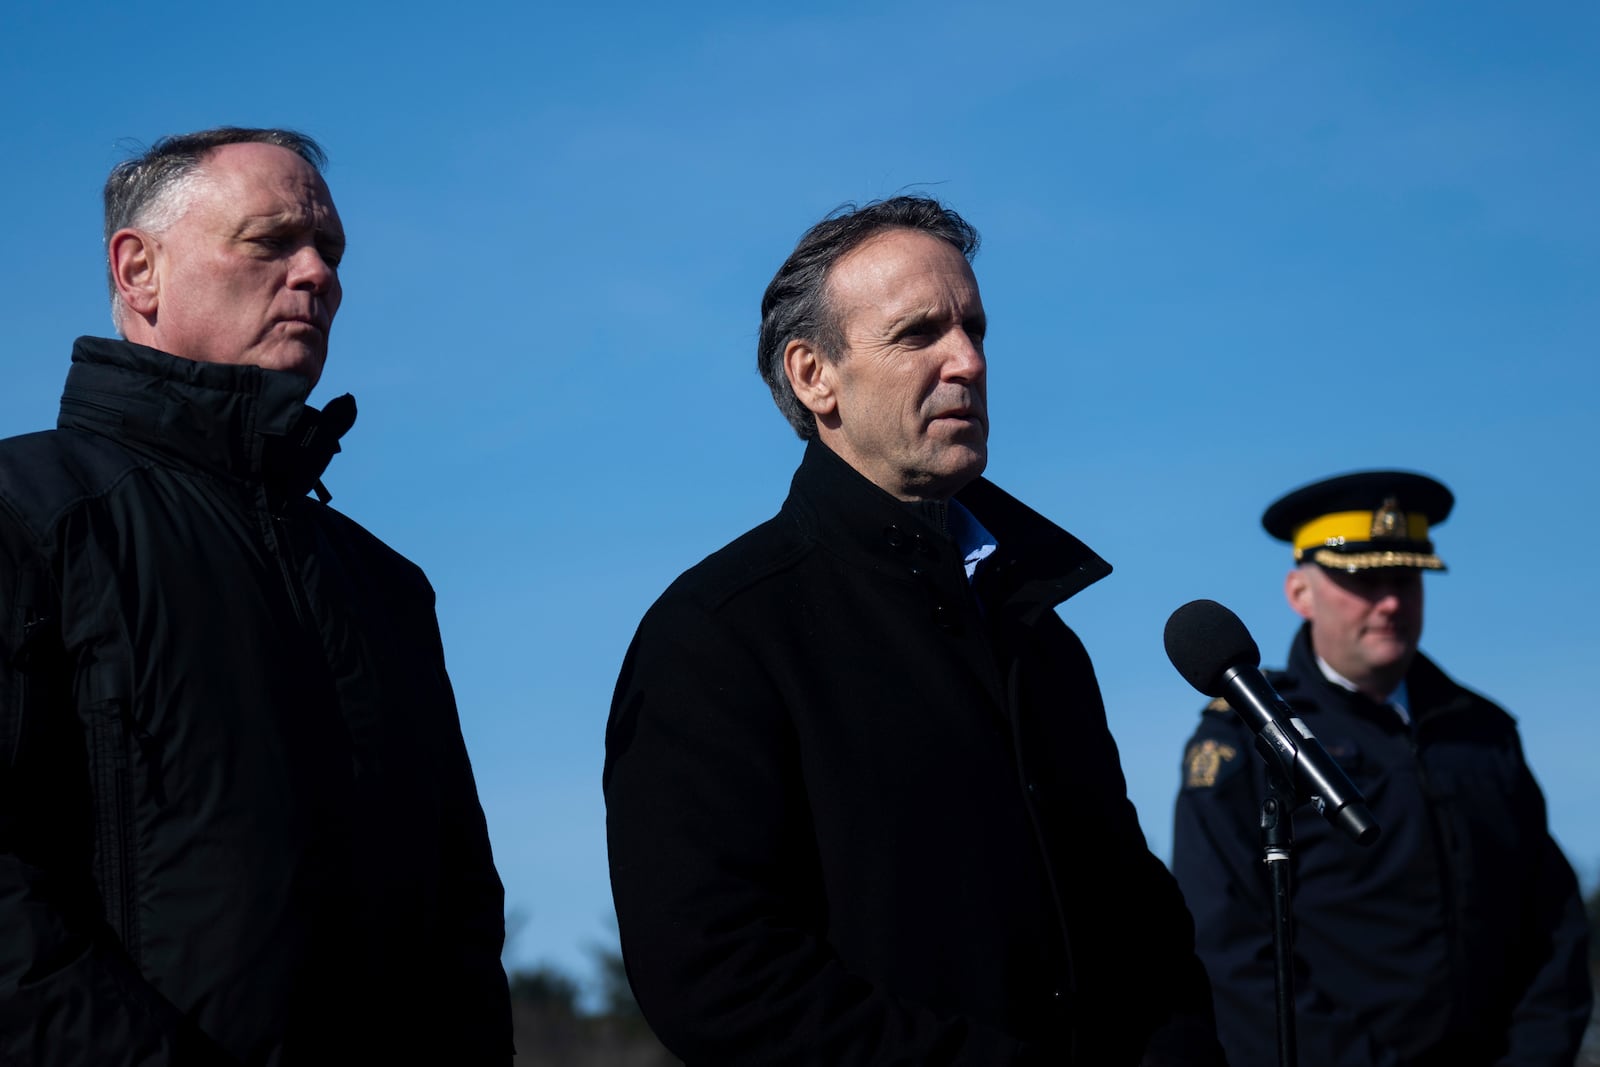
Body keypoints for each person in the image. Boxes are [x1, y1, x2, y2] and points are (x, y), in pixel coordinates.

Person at [604, 196, 1224, 1065]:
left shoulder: (1039, 636)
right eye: (917, 334)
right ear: (814, 375)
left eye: (973, 327)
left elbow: (1140, 929)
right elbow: (717, 972)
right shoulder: (717, 635)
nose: (966, 361)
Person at [0, 128, 512, 1064]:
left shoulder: (387, 587)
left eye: (331, 252)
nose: (318, 274)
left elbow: (462, 907)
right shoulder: (28, 515)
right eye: (272, 242)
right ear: (137, 270)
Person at [1172, 470, 1592, 1066]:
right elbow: (1227, 948)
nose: (1391, 602)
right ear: (1300, 592)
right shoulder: (1246, 741)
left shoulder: (1481, 732)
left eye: (1405, 578)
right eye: (1362, 580)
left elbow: (1553, 925)